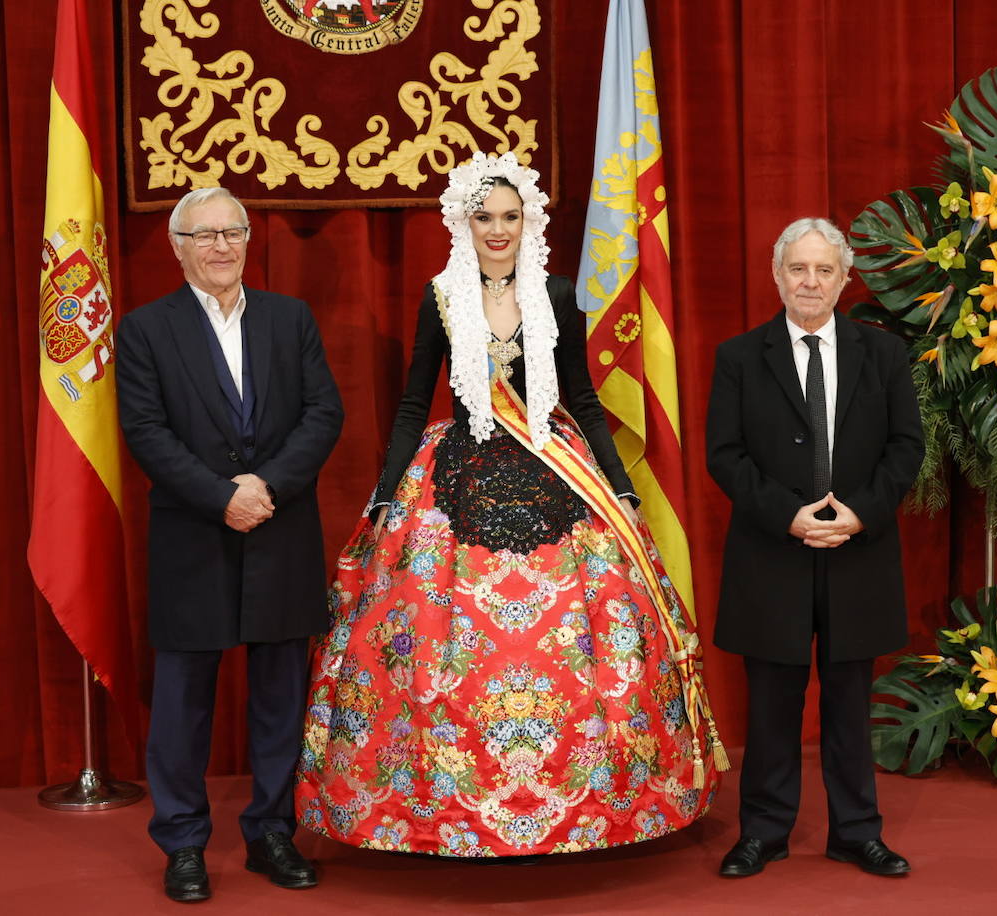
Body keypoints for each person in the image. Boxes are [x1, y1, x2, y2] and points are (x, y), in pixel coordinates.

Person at [293, 151, 724, 858]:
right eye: (485, 217)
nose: (498, 230)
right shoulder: (441, 296)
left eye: (510, 217)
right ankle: (435, 814)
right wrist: (384, 492)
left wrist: (617, 486)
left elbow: (581, 399)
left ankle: (602, 806)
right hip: (456, 467)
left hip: (555, 465)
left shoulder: (557, 295)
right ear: (464, 222)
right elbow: (411, 403)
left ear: (530, 223)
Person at [116, 186, 344, 902]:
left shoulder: (290, 318)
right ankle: (183, 843)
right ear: (177, 246)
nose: (221, 246)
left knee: (282, 695)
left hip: (280, 531)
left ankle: (272, 832)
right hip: (194, 536)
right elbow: (147, 433)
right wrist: (223, 497)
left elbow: (322, 412)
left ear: (249, 240)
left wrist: (264, 488)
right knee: (183, 703)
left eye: (233, 232)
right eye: (204, 234)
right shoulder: (146, 330)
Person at [706, 218, 923, 878]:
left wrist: (857, 514)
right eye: (798, 269)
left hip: (859, 554)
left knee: (850, 707)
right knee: (772, 708)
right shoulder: (740, 357)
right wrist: (790, 517)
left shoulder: (882, 355)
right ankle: (763, 832)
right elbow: (725, 455)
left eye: (824, 270)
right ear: (777, 275)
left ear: (843, 278)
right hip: (772, 556)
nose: (810, 281)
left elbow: (906, 448)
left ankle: (856, 831)